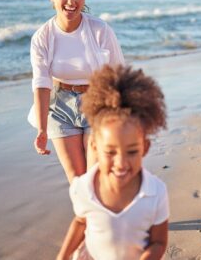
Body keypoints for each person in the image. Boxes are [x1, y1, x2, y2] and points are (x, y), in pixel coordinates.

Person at [56, 65, 169, 260]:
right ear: (93, 146)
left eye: (132, 151)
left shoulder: (156, 192)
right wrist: (63, 255)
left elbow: (159, 242)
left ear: (145, 147)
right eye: (110, 152)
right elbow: (81, 221)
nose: (121, 163)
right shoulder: (82, 188)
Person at [29, 0, 124, 183]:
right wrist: (42, 130)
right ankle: (87, 217)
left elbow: (119, 74)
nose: (71, 1)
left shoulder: (100, 30)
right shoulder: (42, 37)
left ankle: (98, 215)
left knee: (95, 176)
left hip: (98, 103)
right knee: (77, 180)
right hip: (60, 107)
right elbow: (42, 84)